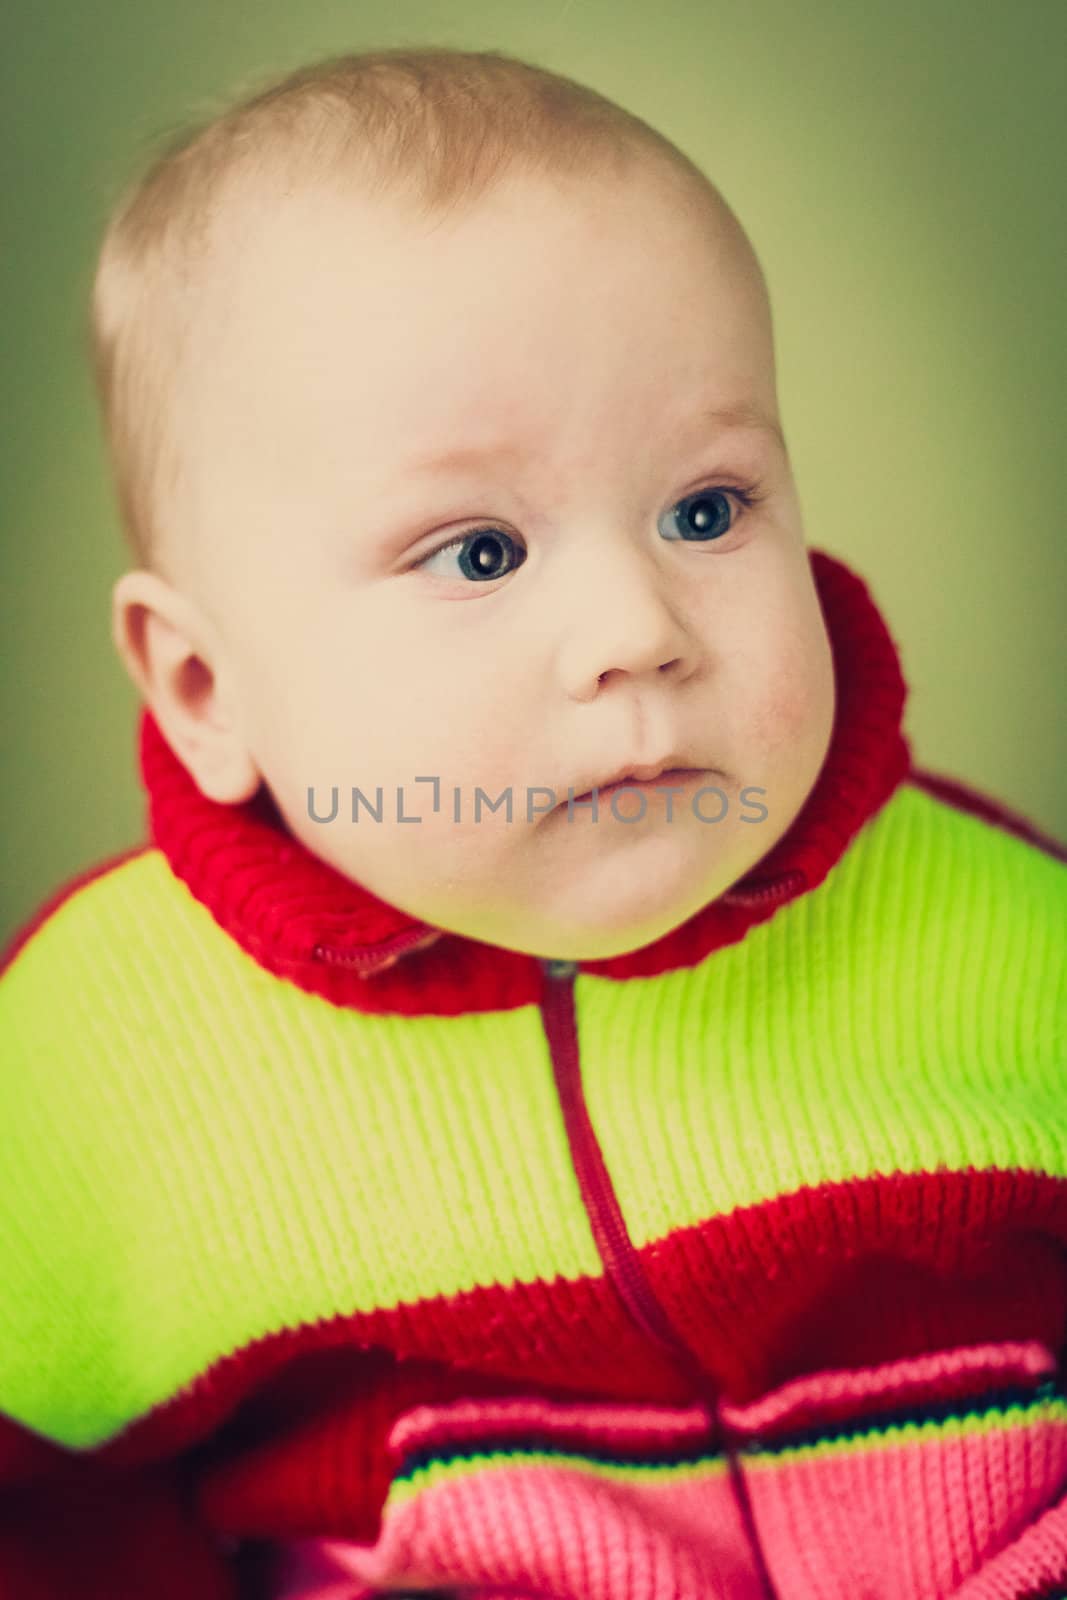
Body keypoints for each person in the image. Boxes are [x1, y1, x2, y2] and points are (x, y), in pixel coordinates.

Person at [2, 43, 1066, 1600]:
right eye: (480, 551)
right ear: (206, 684)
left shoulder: (996, 929)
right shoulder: (96, 1060)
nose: (637, 625)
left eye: (707, 510)